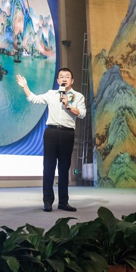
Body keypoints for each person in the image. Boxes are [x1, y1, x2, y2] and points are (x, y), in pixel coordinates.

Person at [16, 68, 86, 212]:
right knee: (48, 167)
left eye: (67, 76)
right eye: (61, 76)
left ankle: (63, 202)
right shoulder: (51, 94)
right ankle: (47, 201)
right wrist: (25, 87)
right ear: (58, 81)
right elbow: (34, 99)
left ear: (72, 81)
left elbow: (82, 114)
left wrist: (68, 105)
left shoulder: (78, 96)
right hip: (51, 133)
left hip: (67, 133)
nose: (64, 78)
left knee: (64, 169)